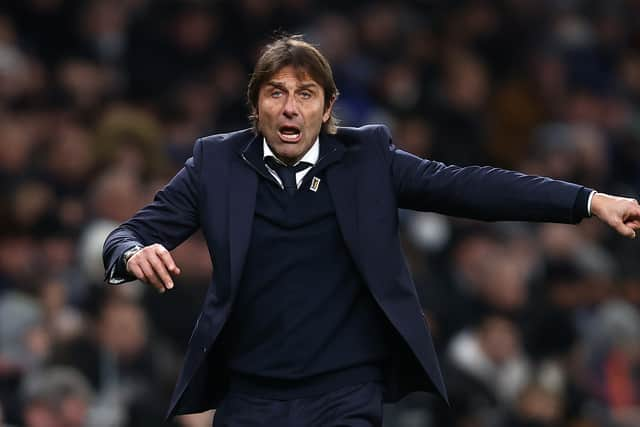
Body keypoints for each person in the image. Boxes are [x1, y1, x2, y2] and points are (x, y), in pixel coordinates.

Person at [102, 35, 640, 426]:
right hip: (249, 397)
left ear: (328, 106)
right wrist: (130, 255)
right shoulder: (214, 163)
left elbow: (473, 189)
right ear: (256, 104)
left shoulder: (368, 158)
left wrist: (588, 201)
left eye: (306, 93)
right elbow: (123, 235)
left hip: (344, 392)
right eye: (276, 93)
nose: (290, 107)